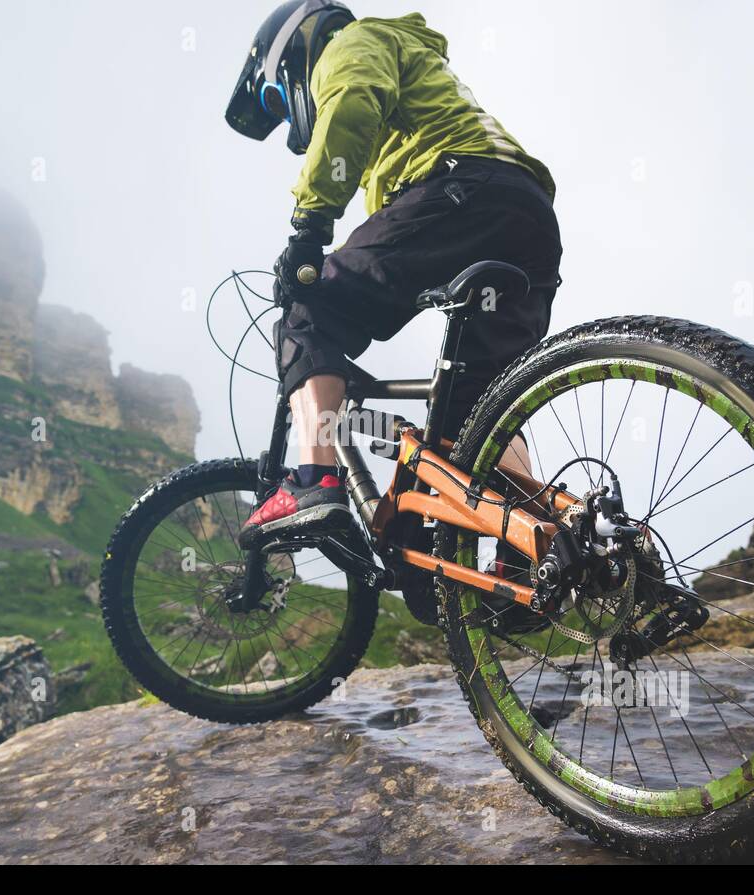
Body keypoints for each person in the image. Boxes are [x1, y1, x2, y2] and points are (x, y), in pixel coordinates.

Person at [225, 1, 562, 545]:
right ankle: (534, 542)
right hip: (526, 218)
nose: (293, 119)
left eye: (280, 104)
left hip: (460, 190)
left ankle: (312, 479)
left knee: (310, 311)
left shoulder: (353, 42)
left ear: (290, 54)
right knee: (479, 413)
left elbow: (353, 103)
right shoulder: (413, 66)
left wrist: (309, 230)